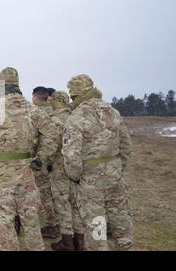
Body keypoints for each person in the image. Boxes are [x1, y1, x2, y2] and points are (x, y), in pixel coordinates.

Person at [0, 67, 59, 251]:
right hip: (26, 173)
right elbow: (52, 134)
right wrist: (41, 158)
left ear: (1, 86)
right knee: (31, 220)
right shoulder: (32, 109)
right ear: (17, 85)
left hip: (1, 176)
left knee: (5, 222)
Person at [62, 74, 134, 251]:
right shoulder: (112, 111)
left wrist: (78, 177)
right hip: (115, 177)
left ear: (75, 94)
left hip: (90, 182)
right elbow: (126, 146)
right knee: (122, 223)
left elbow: (71, 156)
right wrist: (116, 168)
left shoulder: (76, 116)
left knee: (97, 227)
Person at [47, 91, 84, 251]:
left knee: (62, 205)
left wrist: (46, 162)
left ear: (54, 103)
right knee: (76, 204)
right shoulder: (76, 118)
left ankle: (67, 242)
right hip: (77, 169)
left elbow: (50, 146)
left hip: (59, 168)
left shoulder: (54, 121)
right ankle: (80, 241)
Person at [31, 86, 60, 239]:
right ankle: (59, 221)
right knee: (55, 192)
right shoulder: (55, 110)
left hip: (40, 159)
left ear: (35, 97)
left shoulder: (34, 113)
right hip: (57, 159)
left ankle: (51, 225)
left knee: (44, 193)